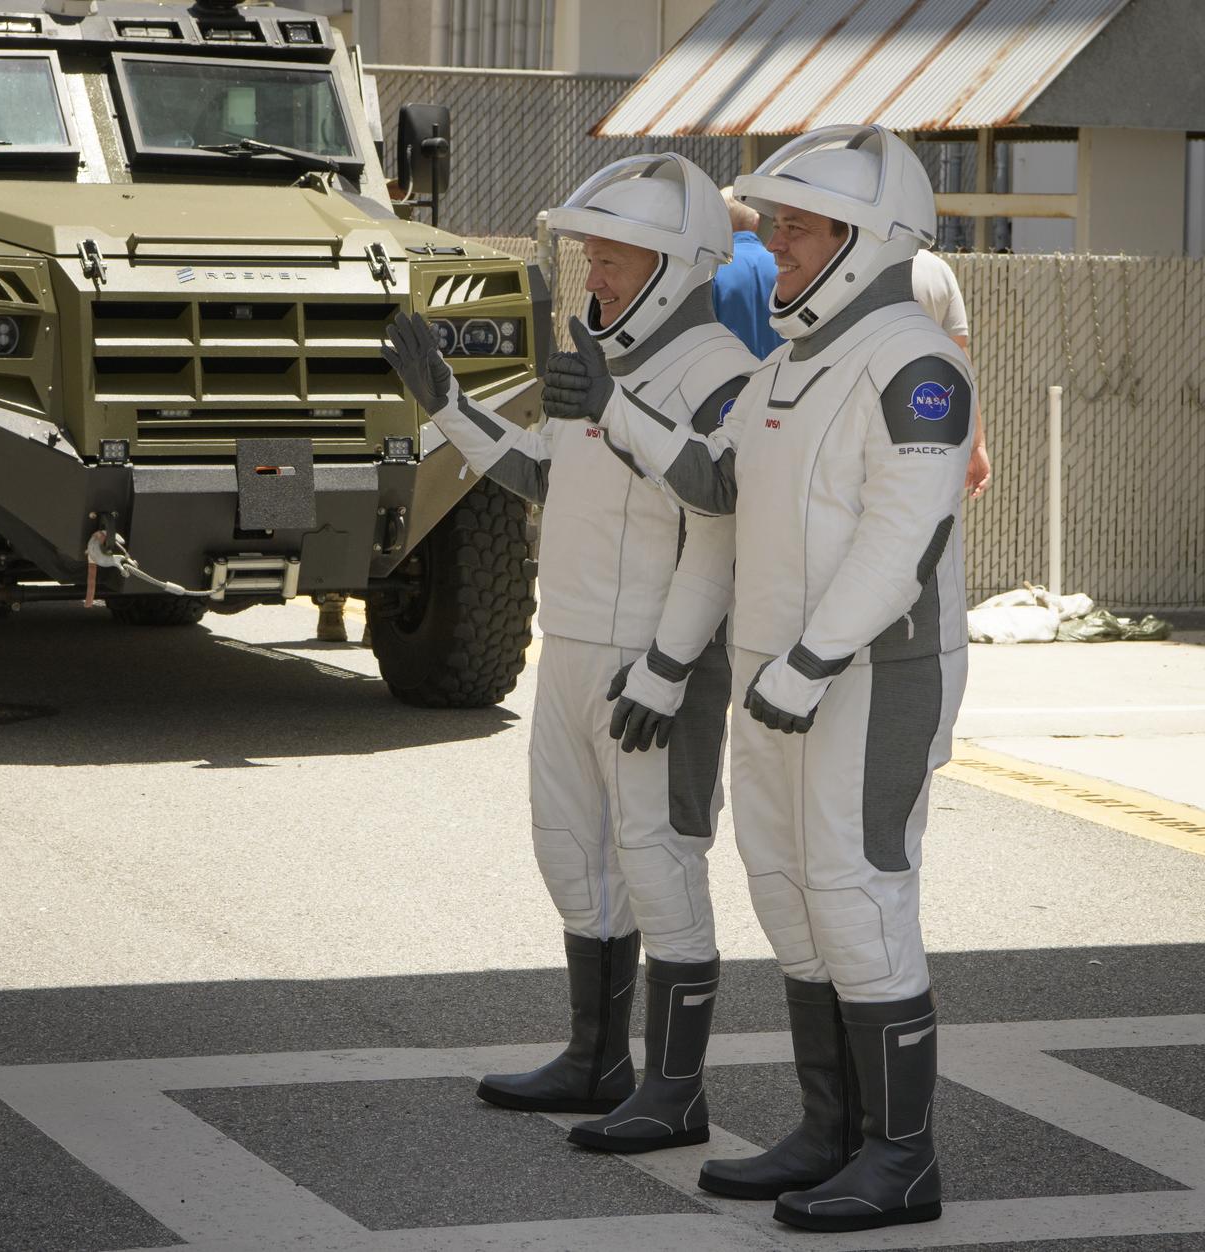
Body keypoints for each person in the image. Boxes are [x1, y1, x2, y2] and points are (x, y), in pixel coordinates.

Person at [542, 123, 974, 1232]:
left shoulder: (915, 364)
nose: (771, 243)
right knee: (787, 892)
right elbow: (713, 496)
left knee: (856, 893)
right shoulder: (787, 363)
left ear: (865, 238)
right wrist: (613, 405)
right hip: (775, 678)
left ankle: (902, 1158)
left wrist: (820, 653)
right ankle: (828, 1134)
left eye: (794, 227)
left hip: (871, 676)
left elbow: (903, 531)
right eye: (773, 223)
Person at [382, 152, 758, 1154]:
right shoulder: (600, 365)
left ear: (676, 265)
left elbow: (716, 512)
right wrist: (449, 406)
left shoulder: (721, 372)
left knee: (659, 862)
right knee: (572, 855)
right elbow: (546, 471)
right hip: (573, 650)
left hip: (652, 666)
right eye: (589, 256)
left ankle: (674, 1091)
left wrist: (671, 665)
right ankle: (596, 1061)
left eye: (612, 259)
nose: (591, 277)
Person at [913, 248, 991, 498]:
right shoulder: (937, 270)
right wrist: (976, 442)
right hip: (927, 419)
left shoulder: (851, 260)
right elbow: (959, 357)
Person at [712, 186, 783, 359]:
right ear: (756, 221)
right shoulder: (784, 266)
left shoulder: (711, 270)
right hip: (778, 376)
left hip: (728, 377)